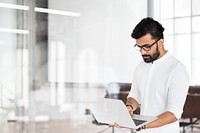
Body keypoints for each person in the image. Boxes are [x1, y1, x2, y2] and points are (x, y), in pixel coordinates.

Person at [120, 17, 189, 132]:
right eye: (139, 47)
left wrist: (142, 125)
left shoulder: (177, 70)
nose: (142, 52)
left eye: (146, 47)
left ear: (160, 43)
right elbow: (135, 96)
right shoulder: (141, 67)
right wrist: (129, 107)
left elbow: (173, 113)